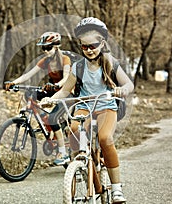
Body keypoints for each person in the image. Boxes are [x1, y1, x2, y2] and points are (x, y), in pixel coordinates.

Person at [42, 17, 134, 203]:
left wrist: (122, 89)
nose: (89, 50)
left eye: (93, 45)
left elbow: (128, 84)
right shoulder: (78, 67)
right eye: (85, 47)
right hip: (84, 107)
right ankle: (79, 165)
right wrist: (50, 100)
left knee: (105, 138)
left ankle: (116, 189)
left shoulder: (109, 61)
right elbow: (65, 90)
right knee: (74, 130)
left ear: (102, 43)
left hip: (106, 106)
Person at [5, 31, 71, 165]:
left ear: (56, 46)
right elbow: (28, 74)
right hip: (52, 89)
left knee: (53, 117)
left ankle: (63, 151)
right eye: (43, 48)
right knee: (30, 94)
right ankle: (44, 121)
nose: (45, 51)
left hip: (66, 92)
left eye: (48, 48)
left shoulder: (65, 59)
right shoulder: (45, 60)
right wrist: (14, 82)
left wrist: (56, 85)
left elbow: (66, 78)